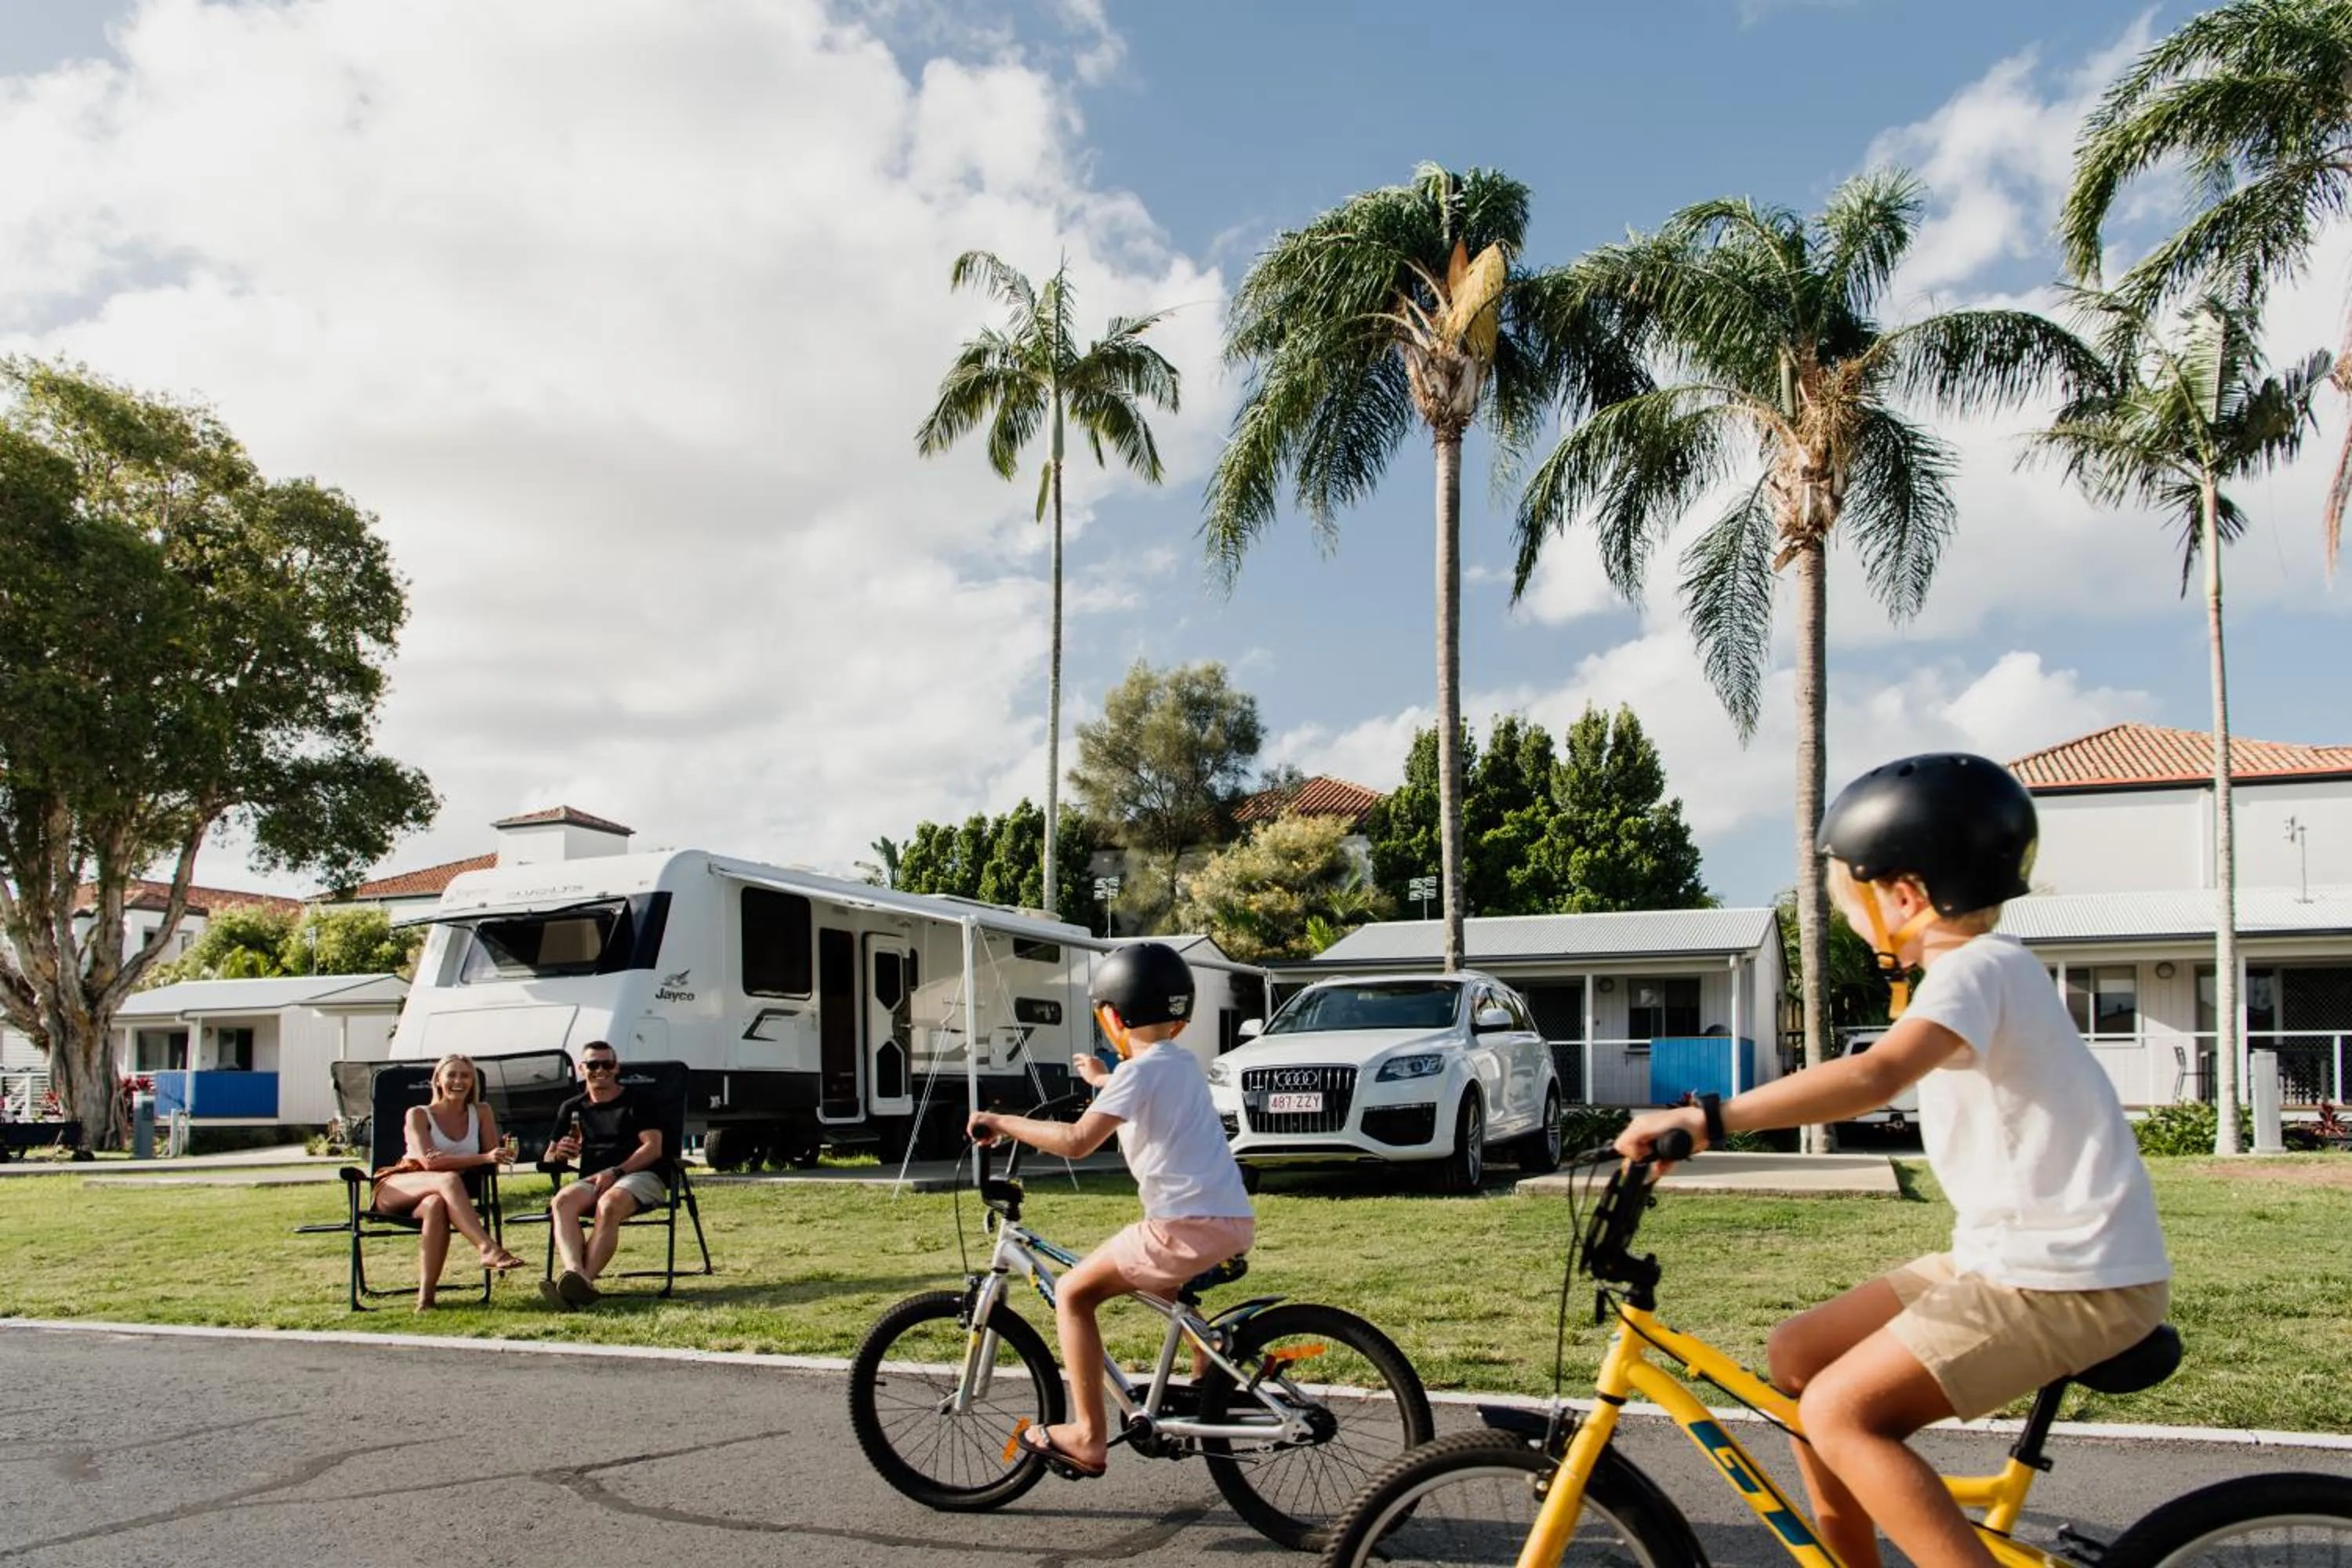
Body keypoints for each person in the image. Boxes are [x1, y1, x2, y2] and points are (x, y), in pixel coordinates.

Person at [1615, 753, 2171, 1568]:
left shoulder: (1979, 968)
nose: (1851, 922)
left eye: (1853, 903)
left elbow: (1875, 1075)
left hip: (2070, 1276)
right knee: (1799, 1355)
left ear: (1906, 896)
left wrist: (1710, 1117)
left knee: (1840, 1412)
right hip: (2010, 1258)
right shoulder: (1983, 973)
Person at [967, 941, 1254, 1479]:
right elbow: (1143, 1088)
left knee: (1073, 1293)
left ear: (1111, 1016)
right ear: (1182, 1018)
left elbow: (1077, 1140)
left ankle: (1086, 1436)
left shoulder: (1138, 1074)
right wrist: (1103, 1081)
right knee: (1164, 1292)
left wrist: (1002, 1122)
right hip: (1230, 1221)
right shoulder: (1180, 1064)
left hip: (1179, 1229)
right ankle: (1206, 1382)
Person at [369, 1053, 524, 1309]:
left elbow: (492, 1160)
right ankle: (487, 1248)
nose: (458, 1081)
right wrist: (483, 1157)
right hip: (399, 1186)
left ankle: (426, 1299)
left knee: (436, 1205)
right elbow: (430, 1163)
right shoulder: (418, 1114)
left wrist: (498, 1154)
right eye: (451, 1075)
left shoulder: (481, 1112)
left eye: (465, 1075)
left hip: (437, 1196)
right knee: (448, 1179)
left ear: (473, 1082)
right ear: (438, 1080)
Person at [541, 1040, 669, 1309]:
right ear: (581, 1068)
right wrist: (559, 1153)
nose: (601, 1070)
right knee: (561, 1202)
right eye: (593, 1064)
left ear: (616, 1067)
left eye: (607, 1064)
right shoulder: (572, 1107)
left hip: (640, 1175)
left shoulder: (638, 1101)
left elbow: (653, 1148)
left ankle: (579, 1284)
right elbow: (549, 1157)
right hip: (594, 1178)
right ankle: (575, 1274)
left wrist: (616, 1171)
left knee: (608, 1204)